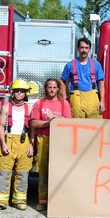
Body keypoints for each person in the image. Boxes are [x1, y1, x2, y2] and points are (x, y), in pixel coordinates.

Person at [0, 79, 33, 212]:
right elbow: (0, 127)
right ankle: (0, 201)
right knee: (4, 172)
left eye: (22, 91)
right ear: (12, 92)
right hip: (8, 139)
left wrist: (31, 145)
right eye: (17, 91)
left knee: (22, 172)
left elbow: (33, 129)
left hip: (24, 140)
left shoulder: (30, 108)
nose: (19, 93)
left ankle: (19, 200)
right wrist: (2, 144)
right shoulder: (6, 108)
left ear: (26, 93)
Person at [31, 78, 71, 211]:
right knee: (43, 171)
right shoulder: (39, 103)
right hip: (43, 139)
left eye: (55, 87)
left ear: (58, 89)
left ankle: (58, 200)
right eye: (50, 87)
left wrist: (54, 119)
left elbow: (68, 122)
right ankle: (43, 201)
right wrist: (50, 122)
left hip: (60, 140)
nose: (52, 90)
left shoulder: (64, 103)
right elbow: (34, 123)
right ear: (46, 88)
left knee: (59, 170)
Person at [60, 37, 105, 118]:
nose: (84, 50)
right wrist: (65, 98)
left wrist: (102, 101)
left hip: (93, 98)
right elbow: (62, 81)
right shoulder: (70, 65)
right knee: (77, 125)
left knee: (95, 126)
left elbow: (101, 83)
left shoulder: (96, 64)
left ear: (89, 49)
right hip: (76, 99)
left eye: (86, 48)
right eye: (82, 47)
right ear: (78, 49)